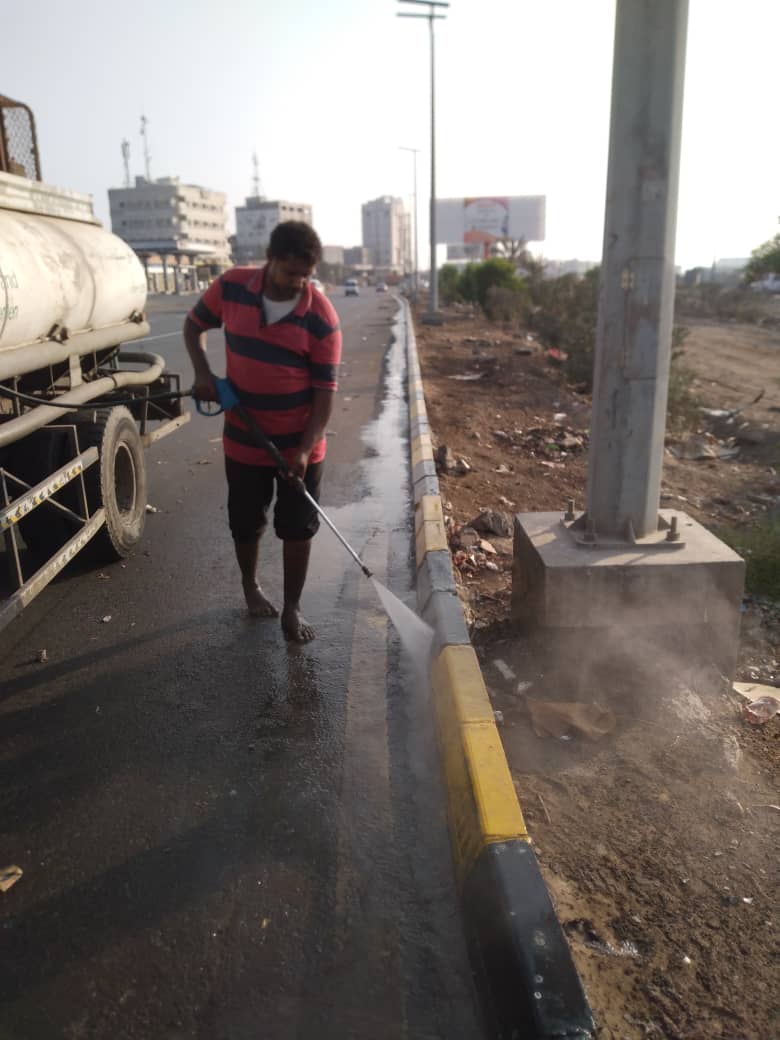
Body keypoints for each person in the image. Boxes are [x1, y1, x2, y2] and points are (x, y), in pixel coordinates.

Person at [184, 221, 342, 643]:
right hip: (243, 439)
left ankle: (292, 607)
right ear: (270, 259)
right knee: (246, 522)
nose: (299, 283)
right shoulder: (232, 287)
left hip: (300, 446)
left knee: (298, 528)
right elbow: (193, 326)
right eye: (291, 273)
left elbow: (325, 394)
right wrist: (203, 373)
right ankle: (250, 586)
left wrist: (304, 450)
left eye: (306, 275)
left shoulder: (321, 317)